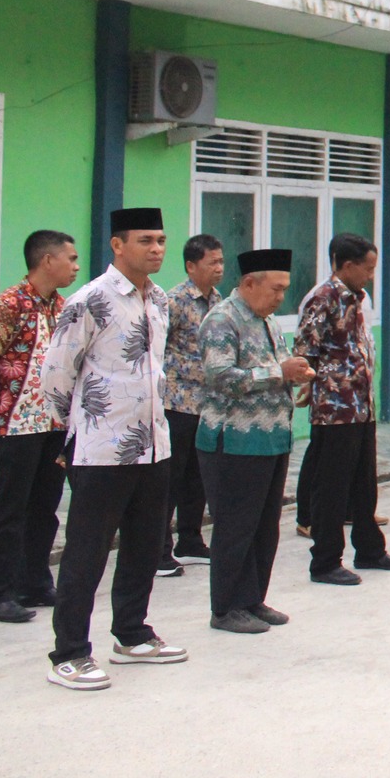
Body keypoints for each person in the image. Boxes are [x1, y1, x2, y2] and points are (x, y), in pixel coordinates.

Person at [37, 208, 184, 691]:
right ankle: (70, 654)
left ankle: (132, 635)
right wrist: (77, 428)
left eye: (161, 240)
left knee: (145, 546)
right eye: (145, 240)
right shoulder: (89, 301)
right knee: (87, 553)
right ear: (118, 245)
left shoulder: (159, 299)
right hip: (102, 450)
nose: (156, 249)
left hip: (153, 445)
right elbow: (55, 375)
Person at [197, 250, 315, 634]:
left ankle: (252, 599)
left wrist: (296, 374)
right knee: (235, 527)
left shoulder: (268, 321)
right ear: (249, 283)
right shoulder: (222, 320)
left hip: (272, 438)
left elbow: (277, 366)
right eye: (275, 289)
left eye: (284, 289)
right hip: (234, 440)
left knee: (265, 527)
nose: (281, 297)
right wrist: (279, 372)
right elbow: (221, 377)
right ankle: (225, 607)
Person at [295, 233, 390, 585]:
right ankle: (325, 561)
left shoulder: (356, 299)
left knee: (364, 483)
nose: (371, 276)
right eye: (367, 269)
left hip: (361, 406)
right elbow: (305, 350)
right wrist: (311, 386)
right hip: (335, 409)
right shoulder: (323, 299)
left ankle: (370, 549)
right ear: (347, 265)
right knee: (332, 488)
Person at [0, 229, 79, 625]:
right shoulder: (9, 304)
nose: (76, 266)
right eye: (70, 258)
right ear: (47, 260)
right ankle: (0, 592)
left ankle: (36, 582)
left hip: (54, 424)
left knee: (46, 507)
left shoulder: (64, 308)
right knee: (9, 510)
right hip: (15, 425)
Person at [159, 234, 225, 574]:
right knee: (170, 478)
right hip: (177, 402)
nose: (219, 268)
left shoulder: (218, 300)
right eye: (212, 262)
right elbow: (157, 347)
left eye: (221, 261)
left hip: (206, 404)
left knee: (198, 476)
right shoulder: (174, 301)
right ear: (191, 266)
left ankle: (190, 540)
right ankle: (159, 549)